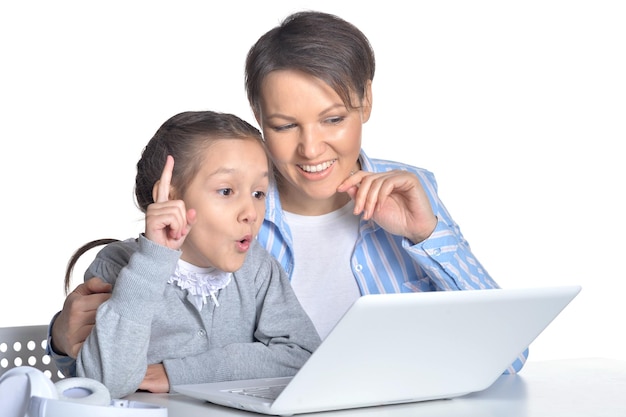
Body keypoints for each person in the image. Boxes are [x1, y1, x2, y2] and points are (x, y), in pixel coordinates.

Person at [49, 10, 527, 383]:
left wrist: (428, 235)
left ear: (366, 100)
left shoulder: (410, 190)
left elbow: (510, 356)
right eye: (283, 126)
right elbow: (133, 328)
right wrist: (60, 334)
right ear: (258, 116)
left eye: (333, 119)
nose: (312, 148)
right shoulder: (230, 214)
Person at [53, 110, 321, 399]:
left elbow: (303, 356)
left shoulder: (258, 268)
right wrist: (153, 261)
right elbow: (105, 384)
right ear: (169, 198)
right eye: (227, 190)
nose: (251, 213)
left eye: (258, 193)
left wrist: (178, 373)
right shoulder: (118, 266)